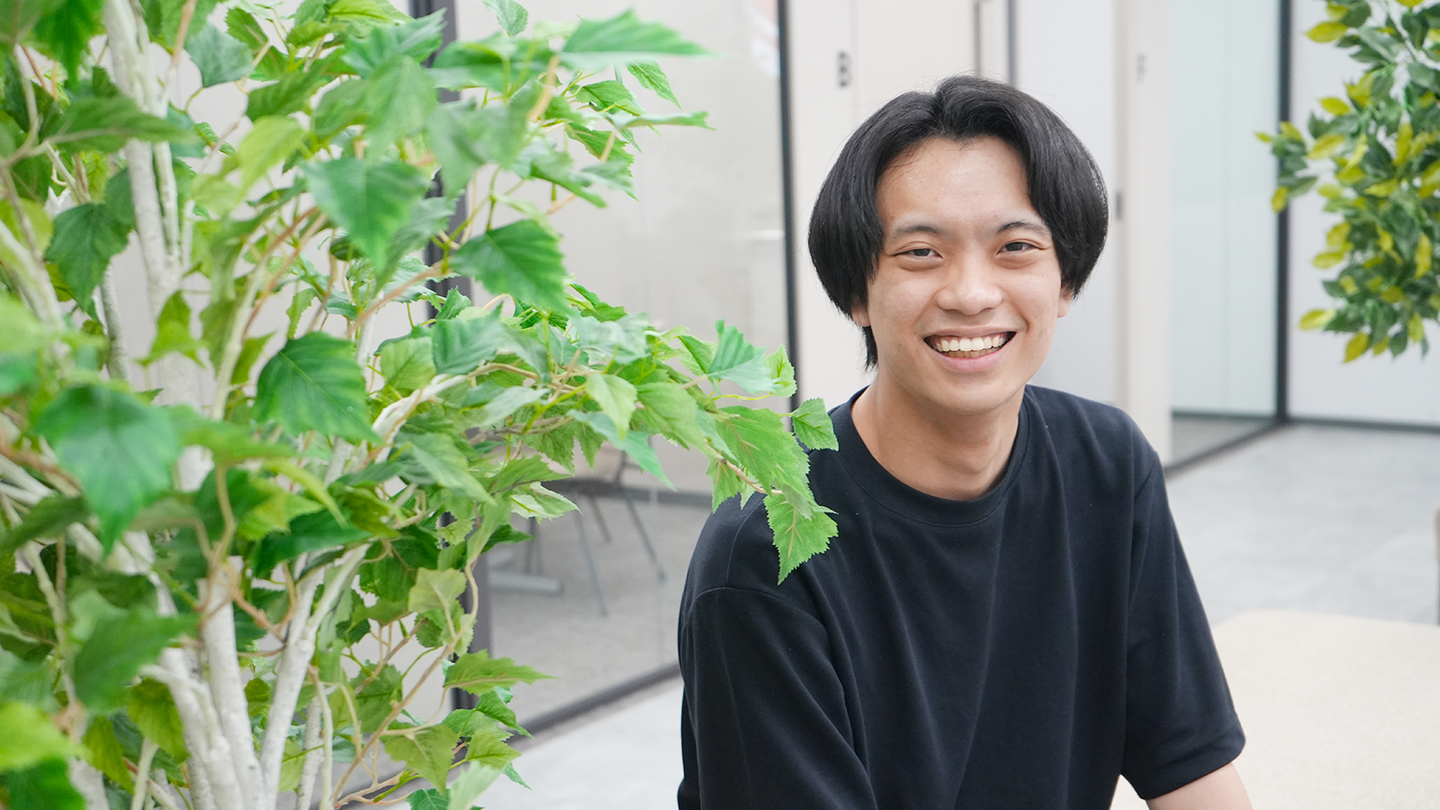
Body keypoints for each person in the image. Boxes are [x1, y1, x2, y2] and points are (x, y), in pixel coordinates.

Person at [676, 75, 1251, 809]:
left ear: (1065, 282)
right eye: (921, 252)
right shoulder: (766, 549)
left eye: (1016, 246)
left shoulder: (1107, 463)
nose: (972, 294)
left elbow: (1188, 761)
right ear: (856, 292)